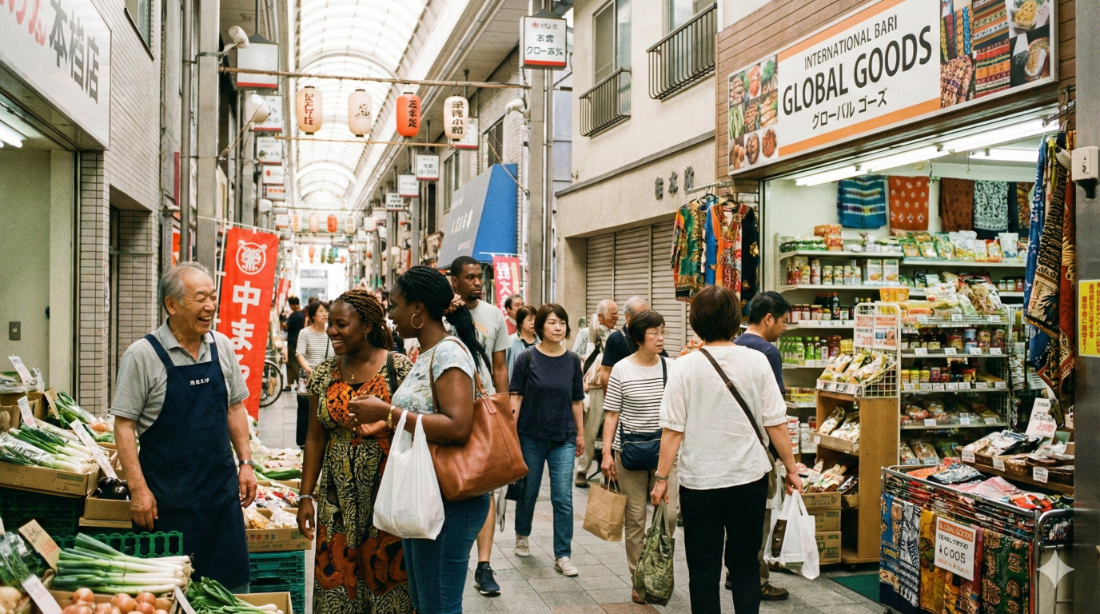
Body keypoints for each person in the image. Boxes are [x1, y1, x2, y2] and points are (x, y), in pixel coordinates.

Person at [650, 285, 802, 614]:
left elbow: (673, 431)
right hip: (748, 480)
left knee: (703, 571)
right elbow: (776, 422)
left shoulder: (683, 367)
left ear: (695, 322)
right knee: (745, 565)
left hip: (700, 483)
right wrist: (791, 469)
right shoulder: (758, 361)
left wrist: (661, 478)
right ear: (736, 321)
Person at [345, 266, 488, 614]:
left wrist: (387, 413)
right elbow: (426, 416)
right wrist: (383, 424)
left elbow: (457, 426)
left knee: (439, 606)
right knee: (427, 605)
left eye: (394, 306)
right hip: (428, 492)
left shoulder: (449, 353)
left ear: (419, 310)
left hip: (451, 497)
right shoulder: (425, 352)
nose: (390, 315)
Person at [110, 262, 255, 591]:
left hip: (221, 500)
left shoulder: (222, 347)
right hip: (168, 504)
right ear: (171, 305)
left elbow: (235, 408)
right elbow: (123, 426)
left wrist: (246, 463)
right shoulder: (142, 355)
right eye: (199, 298)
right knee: (172, 597)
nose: (209, 307)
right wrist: (138, 490)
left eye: (213, 297)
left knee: (231, 595)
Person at [297, 290, 414, 614]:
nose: (332, 330)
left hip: (387, 498)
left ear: (365, 326)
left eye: (341, 324)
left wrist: (383, 421)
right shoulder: (322, 374)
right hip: (336, 504)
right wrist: (306, 496)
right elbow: (315, 438)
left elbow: (418, 426)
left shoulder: (398, 368)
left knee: (388, 587)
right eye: (329, 323)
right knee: (337, 589)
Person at [599, 310, 677, 604]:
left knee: (668, 517)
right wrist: (606, 453)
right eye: (654, 333)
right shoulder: (621, 369)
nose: (660, 338)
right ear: (638, 338)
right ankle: (639, 580)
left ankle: (656, 568)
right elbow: (612, 414)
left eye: (663, 332)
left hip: (665, 454)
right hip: (629, 452)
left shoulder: (672, 367)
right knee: (635, 520)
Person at [448, 256, 510, 597]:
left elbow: (499, 365)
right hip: (447, 409)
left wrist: (504, 408)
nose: (477, 282)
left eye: (479, 276)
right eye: (469, 277)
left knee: (487, 484)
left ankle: (484, 565)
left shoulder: (493, 315)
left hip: (483, 407)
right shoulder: (437, 313)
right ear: (453, 280)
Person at [510, 304, 586, 578]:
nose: (558, 327)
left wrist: (580, 434)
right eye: (552, 323)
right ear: (540, 327)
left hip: (563, 437)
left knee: (563, 497)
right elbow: (515, 397)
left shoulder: (572, 360)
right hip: (530, 435)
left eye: (562, 323)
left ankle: (562, 555)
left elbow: (577, 400)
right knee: (528, 491)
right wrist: (511, 434)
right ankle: (522, 533)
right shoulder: (526, 358)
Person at [726, 291, 792, 601]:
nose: (784, 329)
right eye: (783, 322)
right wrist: (786, 459)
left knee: (736, 518)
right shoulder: (768, 352)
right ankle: (756, 577)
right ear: (768, 319)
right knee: (759, 518)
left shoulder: (733, 345)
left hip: (732, 443)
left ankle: (734, 571)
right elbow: (774, 411)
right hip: (760, 447)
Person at [572, 299, 618, 487]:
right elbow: (575, 358)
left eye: (617, 315)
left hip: (612, 387)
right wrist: (578, 383)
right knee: (589, 432)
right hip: (592, 389)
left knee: (610, 431)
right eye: (612, 315)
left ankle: (607, 471)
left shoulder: (616, 335)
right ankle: (582, 470)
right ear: (600, 316)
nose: (616, 318)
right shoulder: (586, 333)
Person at [296, 301, 334, 447]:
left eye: (326, 311)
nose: (325, 314)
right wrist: (310, 370)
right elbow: (300, 354)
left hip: (329, 379)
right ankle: (304, 443)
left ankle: (325, 439)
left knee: (327, 409)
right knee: (307, 410)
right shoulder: (304, 333)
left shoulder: (331, 332)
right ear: (312, 315)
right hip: (310, 378)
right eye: (321, 311)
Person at [505, 306, 538, 380]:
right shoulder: (510, 341)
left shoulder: (541, 342)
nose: (533, 323)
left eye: (535, 319)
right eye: (529, 320)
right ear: (520, 323)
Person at [285, 297, 305, 393]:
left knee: (293, 364)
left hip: (292, 342)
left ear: (293, 305)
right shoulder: (303, 315)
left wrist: (282, 321)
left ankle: (298, 384)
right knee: (293, 363)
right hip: (298, 341)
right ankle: (290, 384)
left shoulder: (294, 315)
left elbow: (286, 326)